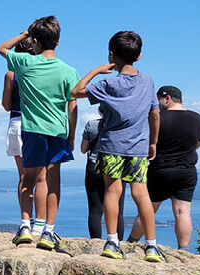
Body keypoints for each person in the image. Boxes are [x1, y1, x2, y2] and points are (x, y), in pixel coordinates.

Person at [72, 31, 164, 262]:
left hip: (111, 145)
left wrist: (96, 70)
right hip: (138, 147)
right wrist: (153, 141)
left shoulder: (109, 82)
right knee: (141, 193)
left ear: (112, 55)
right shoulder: (148, 81)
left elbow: (76, 91)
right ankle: (151, 246)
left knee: (112, 191)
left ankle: (112, 242)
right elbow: (155, 114)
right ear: (139, 56)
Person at [0, 16, 79, 250]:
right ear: (59, 41)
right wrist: (71, 135)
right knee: (52, 182)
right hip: (57, 132)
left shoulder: (25, 63)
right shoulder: (68, 70)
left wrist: (25, 34)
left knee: (27, 179)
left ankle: (25, 225)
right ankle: (47, 231)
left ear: (35, 40)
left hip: (31, 130)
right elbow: (73, 106)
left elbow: (1, 48)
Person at [127, 85, 200, 251]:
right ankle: (183, 251)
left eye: (158, 100)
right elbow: (197, 143)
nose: (156, 104)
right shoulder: (198, 119)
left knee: (147, 209)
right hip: (187, 170)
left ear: (167, 98)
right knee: (182, 212)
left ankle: (131, 243)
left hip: (160, 170)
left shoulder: (157, 118)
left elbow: (147, 143)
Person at [1, 37, 43, 242]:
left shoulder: (11, 74)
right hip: (35, 124)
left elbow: (6, 106)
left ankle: (25, 223)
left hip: (15, 124)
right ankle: (40, 226)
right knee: (42, 178)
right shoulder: (40, 72)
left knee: (23, 178)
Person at [82, 103, 126, 240]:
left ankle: (96, 242)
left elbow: (83, 149)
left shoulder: (92, 125)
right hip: (117, 168)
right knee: (118, 210)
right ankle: (117, 243)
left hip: (94, 167)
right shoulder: (123, 127)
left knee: (95, 210)